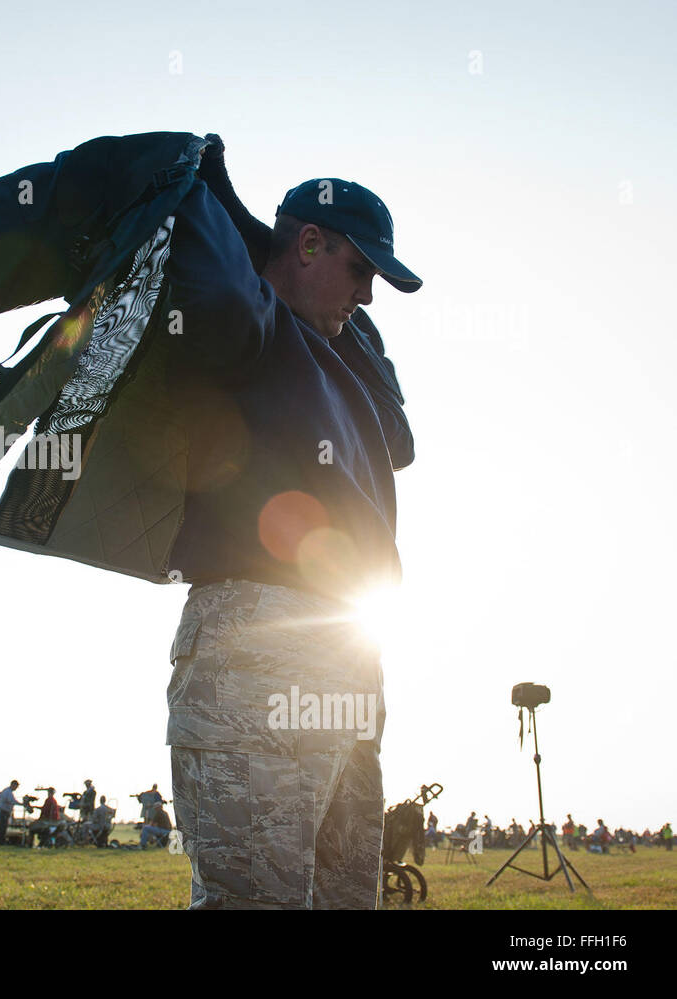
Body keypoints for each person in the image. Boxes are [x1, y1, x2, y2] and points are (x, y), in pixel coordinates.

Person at [164, 157, 421, 908]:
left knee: (348, 896)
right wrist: (230, 208)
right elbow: (215, 286)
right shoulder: (244, 319)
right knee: (256, 899)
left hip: (346, 652)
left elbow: (399, 440)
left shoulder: (333, 353)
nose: (368, 292)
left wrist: (349, 324)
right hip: (257, 646)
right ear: (308, 244)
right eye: (359, 267)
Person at [0, 780, 20, 846]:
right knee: (2, 827)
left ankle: (1, 842)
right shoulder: (8, 792)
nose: (16, 788)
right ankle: (0, 842)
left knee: (3, 827)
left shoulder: (8, 791)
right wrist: (21, 804)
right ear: (13, 785)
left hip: (4, 812)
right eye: (16, 786)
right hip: (3, 812)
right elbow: (11, 801)